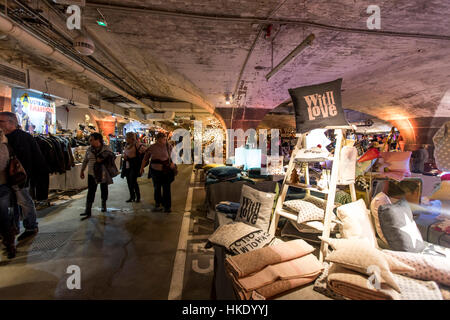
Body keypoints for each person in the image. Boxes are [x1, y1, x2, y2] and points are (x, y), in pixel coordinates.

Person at [0, 112, 45, 241]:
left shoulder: (22, 138)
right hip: (9, 179)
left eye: (1, 121)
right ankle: (14, 228)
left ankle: (31, 226)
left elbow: (30, 160)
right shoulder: (5, 138)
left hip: (19, 178)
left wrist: (26, 177)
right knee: (13, 203)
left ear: (11, 122)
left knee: (24, 201)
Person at [80, 133, 117, 219]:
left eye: (91, 139)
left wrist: (103, 158)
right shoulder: (89, 149)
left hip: (103, 173)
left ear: (98, 140)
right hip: (91, 174)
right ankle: (87, 211)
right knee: (91, 191)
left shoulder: (106, 148)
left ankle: (104, 205)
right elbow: (85, 160)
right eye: (90, 139)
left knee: (104, 189)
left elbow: (112, 158)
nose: (90, 141)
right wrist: (82, 170)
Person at [140, 132, 175, 213]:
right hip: (155, 171)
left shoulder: (168, 146)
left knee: (166, 189)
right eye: (163, 138)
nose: (165, 140)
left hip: (166, 170)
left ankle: (167, 206)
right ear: (158, 139)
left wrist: (173, 163)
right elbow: (145, 158)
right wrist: (141, 168)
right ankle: (158, 204)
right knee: (157, 188)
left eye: (165, 138)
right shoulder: (152, 147)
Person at [0, 129, 16, 258]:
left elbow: (1, 165)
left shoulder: (3, 147)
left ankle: (10, 243)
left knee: (3, 216)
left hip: (2, 186)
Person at [122, 132, 146, 203]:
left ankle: (138, 197)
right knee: (128, 181)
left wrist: (142, 162)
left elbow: (146, 151)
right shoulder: (126, 145)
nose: (125, 139)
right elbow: (126, 153)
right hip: (127, 164)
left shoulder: (137, 144)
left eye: (126, 137)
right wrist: (125, 156)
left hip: (134, 165)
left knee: (133, 181)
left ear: (131, 138)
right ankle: (132, 197)